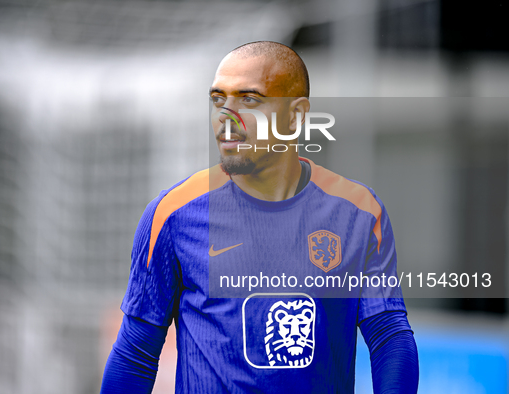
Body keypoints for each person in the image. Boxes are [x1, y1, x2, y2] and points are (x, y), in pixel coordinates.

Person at [100, 41, 419, 393]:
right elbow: (136, 352)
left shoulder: (357, 211)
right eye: (218, 99)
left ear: (296, 115)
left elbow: (388, 334)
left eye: (249, 99)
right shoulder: (172, 214)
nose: (226, 115)